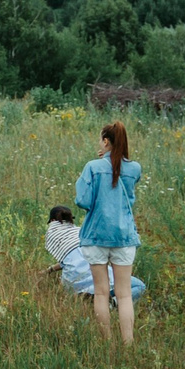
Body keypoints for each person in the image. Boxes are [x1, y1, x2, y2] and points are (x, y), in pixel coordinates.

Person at [74, 122, 142, 346]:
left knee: (102, 293)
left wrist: (99, 162)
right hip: (123, 237)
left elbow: (82, 201)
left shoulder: (93, 167)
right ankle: (128, 344)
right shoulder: (134, 169)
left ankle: (106, 343)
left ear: (105, 141)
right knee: (123, 295)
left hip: (96, 236)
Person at [47, 205, 147, 305]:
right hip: (94, 271)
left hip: (72, 282)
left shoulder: (53, 236)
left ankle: (93, 297)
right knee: (139, 286)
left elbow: (70, 260)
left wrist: (49, 270)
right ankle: (113, 304)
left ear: (52, 220)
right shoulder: (81, 232)